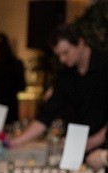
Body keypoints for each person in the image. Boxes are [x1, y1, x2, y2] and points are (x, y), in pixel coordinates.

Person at [11, 24, 108, 152]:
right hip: (77, 148)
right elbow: (45, 117)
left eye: (65, 52)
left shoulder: (105, 65)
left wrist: (98, 138)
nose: (62, 59)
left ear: (80, 43)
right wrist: (15, 142)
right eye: (58, 55)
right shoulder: (65, 76)